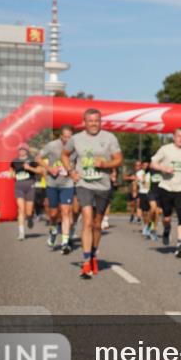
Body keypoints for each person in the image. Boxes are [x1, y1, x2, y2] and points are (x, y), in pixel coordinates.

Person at [62, 109, 123, 279]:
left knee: (97, 224)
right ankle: (86, 261)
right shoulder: (76, 139)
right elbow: (65, 155)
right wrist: (71, 171)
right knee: (87, 220)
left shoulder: (109, 138)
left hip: (103, 186)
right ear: (84, 122)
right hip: (84, 184)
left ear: (100, 121)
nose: (94, 123)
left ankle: (94, 253)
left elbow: (119, 159)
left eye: (97, 120)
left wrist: (105, 164)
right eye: (90, 121)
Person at [150, 127, 181, 257]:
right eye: (178, 136)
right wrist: (163, 168)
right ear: (173, 137)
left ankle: (180, 244)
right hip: (166, 187)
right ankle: (167, 228)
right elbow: (152, 164)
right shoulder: (165, 149)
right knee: (167, 216)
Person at [40, 125, 76, 254]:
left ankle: (65, 242)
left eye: (70, 137)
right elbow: (37, 158)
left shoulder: (76, 147)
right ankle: (53, 230)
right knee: (54, 214)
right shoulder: (52, 145)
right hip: (52, 183)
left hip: (68, 183)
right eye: (65, 137)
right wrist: (49, 169)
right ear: (61, 136)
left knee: (66, 211)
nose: (67, 139)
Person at [10, 144, 42, 240]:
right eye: (20, 150)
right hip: (19, 186)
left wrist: (30, 168)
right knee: (21, 209)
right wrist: (12, 174)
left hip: (30, 186)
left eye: (23, 150)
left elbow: (40, 170)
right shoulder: (15, 161)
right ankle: (21, 233)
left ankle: (30, 217)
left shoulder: (32, 160)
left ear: (27, 151)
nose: (21, 151)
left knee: (28, 211)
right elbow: (11, 170)